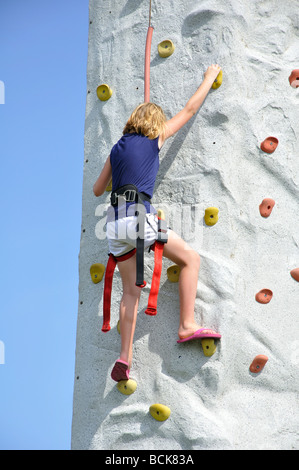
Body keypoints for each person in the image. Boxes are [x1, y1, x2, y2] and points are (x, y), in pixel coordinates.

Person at [93, 64, 222, 382]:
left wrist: (122, 173)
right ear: (154, 125)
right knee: (190, 258)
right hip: (139, 218)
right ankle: (187, 324)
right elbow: (190, 110)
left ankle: (124, 358)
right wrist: (207, 77)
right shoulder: (155, 137)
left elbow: (98, 189)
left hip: (113, 224)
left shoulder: (116, 148)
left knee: (130, 293)